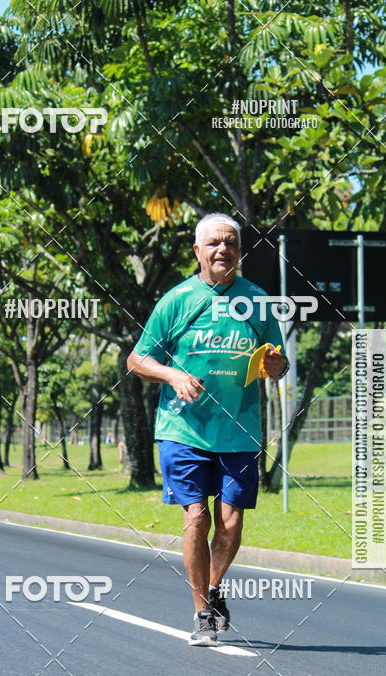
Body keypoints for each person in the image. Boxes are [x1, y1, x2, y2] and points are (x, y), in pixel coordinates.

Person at [127, 213, 288, 646]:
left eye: (231, 243)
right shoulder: (177, 300)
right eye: (214, 243)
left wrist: (276, 365)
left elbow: (279, 361)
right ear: (197, 251)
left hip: (239, 430)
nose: (223, 250)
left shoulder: (256, 302)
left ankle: (216, 589)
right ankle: (201, 612)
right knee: (196, 517)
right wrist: (174, 376)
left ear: (239, 250)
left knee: (230, 524)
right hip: (183, 429)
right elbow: (137, 359)